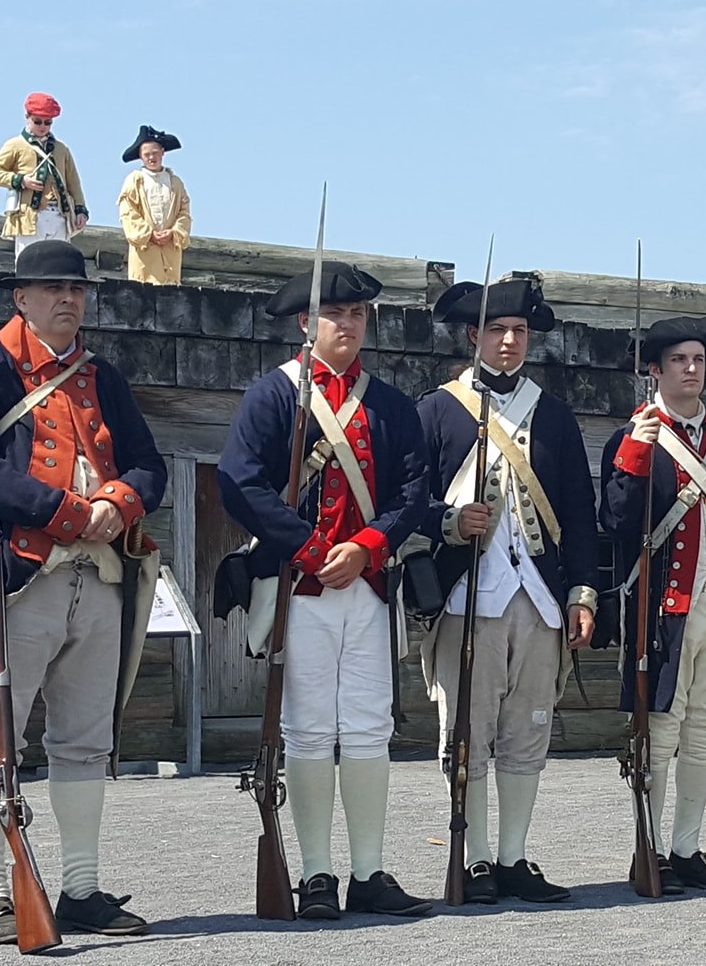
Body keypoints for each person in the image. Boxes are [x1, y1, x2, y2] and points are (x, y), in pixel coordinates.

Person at [0, 239, 167, 943]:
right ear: (21, 298)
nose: (69, 300)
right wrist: (63, 512)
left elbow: (148, 463)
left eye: (78, 289)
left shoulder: (102, 376)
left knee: (86, 740)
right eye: (53, 289)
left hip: (98, 575)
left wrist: (118, 503)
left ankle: (82, 888)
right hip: (18, 576)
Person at [215, 262, 433, 920]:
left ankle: (368, 870)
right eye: (335, 314)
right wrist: (309, 549)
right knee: (308, 732)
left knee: (368, 728)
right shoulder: (273, 396)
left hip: (365, 585)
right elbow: (239, 482)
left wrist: (368, 546)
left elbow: (414, 491)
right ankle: (315, 876)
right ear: (307, 323)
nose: (348, 324)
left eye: (358, 314)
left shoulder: (390, 404)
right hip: (299, 585)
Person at [414, 276, 602, 906]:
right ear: (474, 336)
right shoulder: (438, 410)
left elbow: (580, 510)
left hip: (540, 599)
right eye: (498, 330)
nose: (510, 341)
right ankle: (470, 861)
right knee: (467, 729)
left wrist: (581, 593)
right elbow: (407, 504)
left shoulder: (553, 415)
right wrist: (448, 521)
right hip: (470, 598)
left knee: (528, 731)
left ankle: (515, 857)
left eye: (520, 331)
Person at [599, 315, 706, 891]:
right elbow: (618, 526)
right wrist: (632, 457)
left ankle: (687, 848)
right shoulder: (630, 439)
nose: (691, 370)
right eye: (678, 360)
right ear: (655, 370)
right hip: (662, 607)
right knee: (662, 726)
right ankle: (648, 849)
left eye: (698, 360)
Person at [0, 93, 87, 258]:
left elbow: (73, 183)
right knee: (29, 264)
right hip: (29, 217)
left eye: (48, 122)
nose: (43, 126)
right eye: (37, 121)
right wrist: (21, 180)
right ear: (27, 117)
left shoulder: (62, 149)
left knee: (58, 265)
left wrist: (81, 210)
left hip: (60, 215)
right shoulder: (15, 145)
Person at [116, 126, 191, 284]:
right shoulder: (134, 180)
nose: (151, 157)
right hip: (145, 252)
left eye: (155, 153)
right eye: (147, 154)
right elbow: (128, 213)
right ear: (140, 157)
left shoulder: (175, 183)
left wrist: (174, 233)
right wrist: (148, 234)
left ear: (162, 152)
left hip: (170, 251)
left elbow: (184, 213)